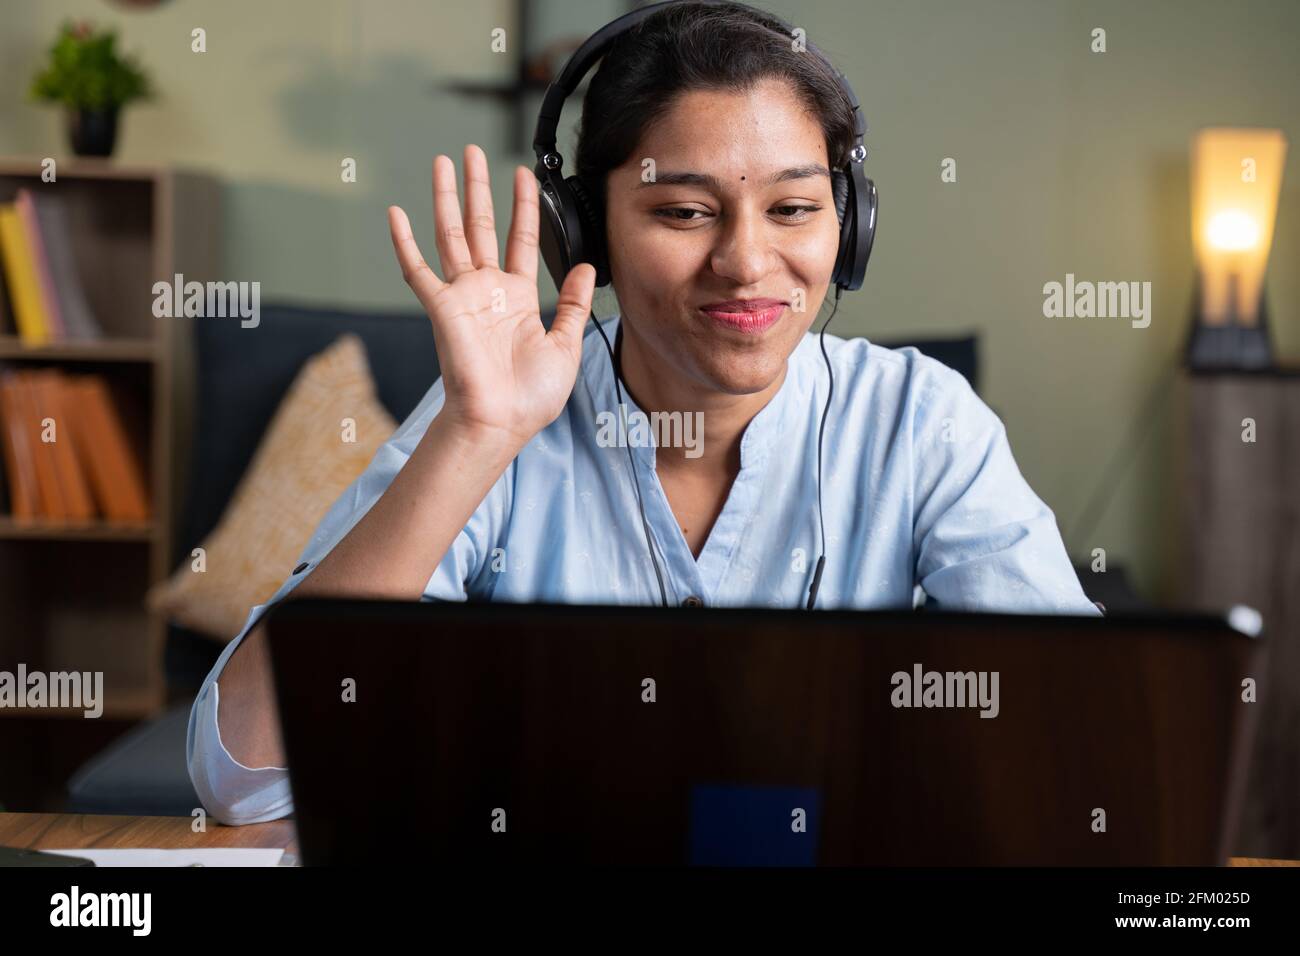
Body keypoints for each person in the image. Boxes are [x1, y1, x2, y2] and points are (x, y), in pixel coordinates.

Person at [188, 1, 1100, 826]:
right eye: (684, 211)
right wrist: (475, 438)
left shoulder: (922, 421)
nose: (747, 262)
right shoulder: (491, 416)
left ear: (848, 224)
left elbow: (1080, 745)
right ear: (584, 233)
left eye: (793, 207)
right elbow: (242, 775)